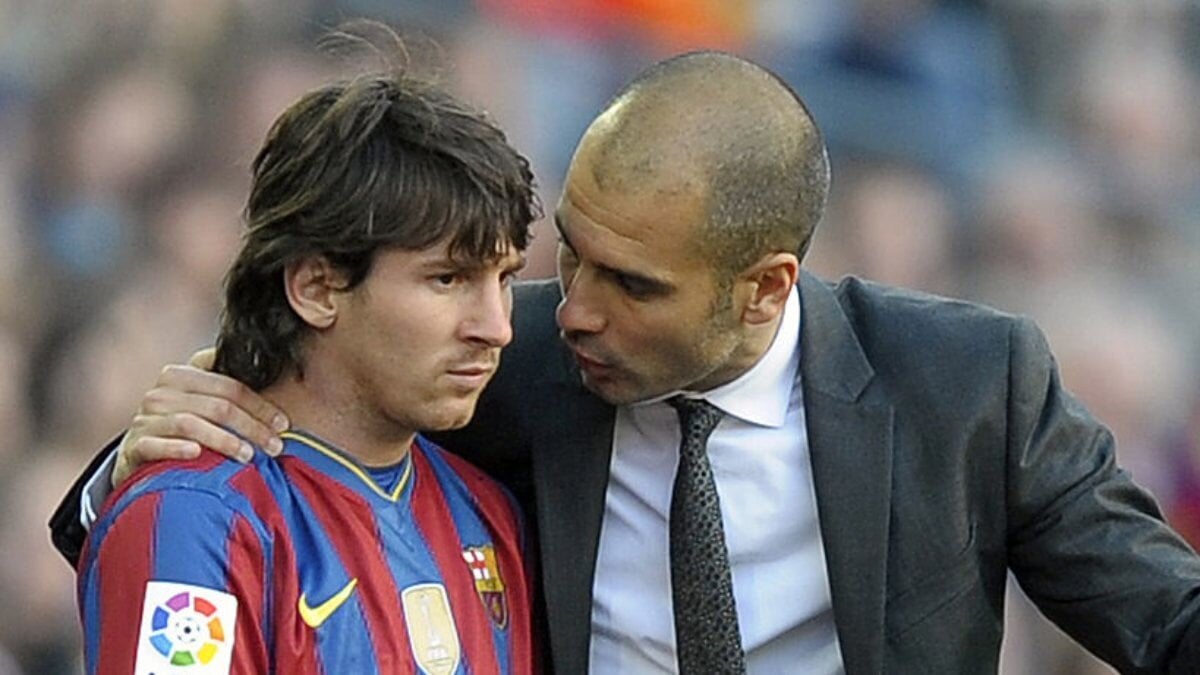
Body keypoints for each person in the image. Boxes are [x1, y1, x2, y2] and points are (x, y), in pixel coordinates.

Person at [53, 50, 1200, 674]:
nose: (567, 315)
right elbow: (305, 389)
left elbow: (1163, 620)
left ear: (764, 288)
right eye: (571, 257)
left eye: (634, 286)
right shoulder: (505, 365)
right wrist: (135, 464)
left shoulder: (964, 386)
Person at [70, 32, 539, 675]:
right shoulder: (197, 519)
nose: (496, 327)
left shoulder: (490, 514)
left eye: (505, 278)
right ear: (317, 288)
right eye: (447, 279)